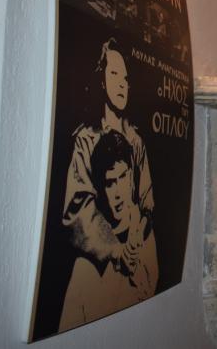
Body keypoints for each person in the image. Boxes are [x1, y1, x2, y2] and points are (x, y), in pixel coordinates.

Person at [63, 38, 154, 280]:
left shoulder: (135, 141)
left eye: (125, 78)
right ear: (102, 80)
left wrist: (138, 234)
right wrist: (116, 250)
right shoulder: (85, 140)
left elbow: (146, 201)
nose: (122, 83)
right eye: (114, 74)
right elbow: (78, 207)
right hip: (100, 268)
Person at [59, 130, 158, 331]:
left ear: (131, 178)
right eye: (110, 183)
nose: (118, 192)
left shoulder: (144, 238)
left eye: (123, 177)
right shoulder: (84, 270)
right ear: (100, 188)